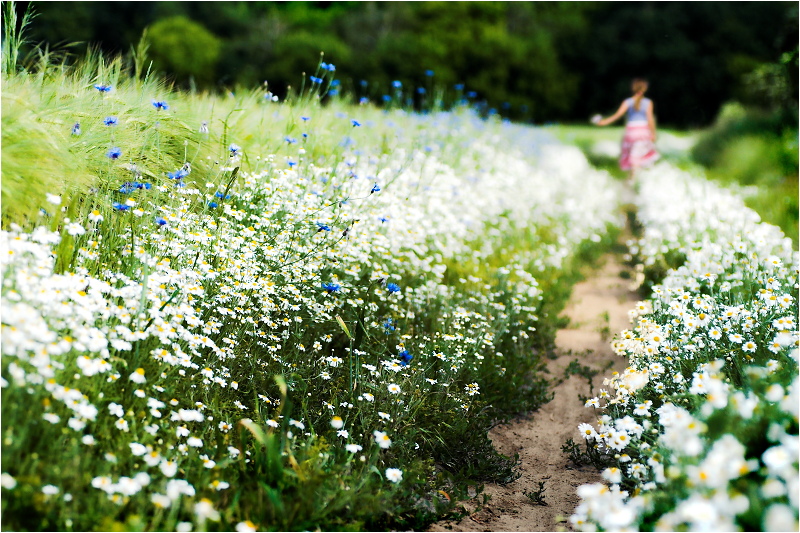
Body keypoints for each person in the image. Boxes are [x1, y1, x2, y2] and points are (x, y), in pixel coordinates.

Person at [591, 78, 659, 178]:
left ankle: (632, 177)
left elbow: (616, 116)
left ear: (633, 89)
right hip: (643, 131)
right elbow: (650, 119)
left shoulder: (628, 101)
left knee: (633, 156)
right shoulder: (648, 102)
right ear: (645, 89)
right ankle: (639, 178)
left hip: (631, 132)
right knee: (643, 156)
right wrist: (653, 133)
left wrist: (603, 122)